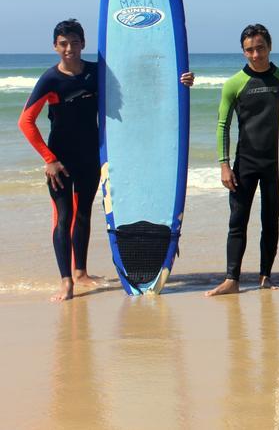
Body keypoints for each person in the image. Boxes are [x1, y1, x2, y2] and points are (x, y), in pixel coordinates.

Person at [19, 19, 194, 302]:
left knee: (85, 214)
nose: (69, 49)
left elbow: (138, 87)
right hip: (60, 160)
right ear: (55, 46)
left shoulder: (96, 73)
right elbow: (26, 121)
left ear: (83, 44)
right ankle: (66, 282)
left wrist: (180, 79)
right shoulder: (51, 79)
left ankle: (81, 273)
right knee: (64, 218)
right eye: (63, 44)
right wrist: (49, 159)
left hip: (90, 155)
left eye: (74, 43)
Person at [206, 24, 279, 296]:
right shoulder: (234, 83)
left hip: (277, 164)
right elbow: (222, 125)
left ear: (269, 46)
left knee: (271, 221)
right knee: (237, 221)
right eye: (249, 50)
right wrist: (224, 164)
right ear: (243, 51)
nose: (255, 54)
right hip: (246, 163)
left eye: (260, 48)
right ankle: (232, 279)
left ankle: (265, 276)